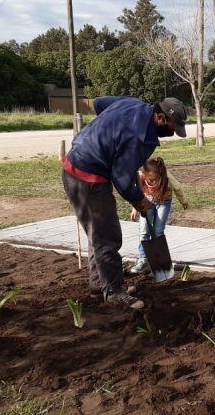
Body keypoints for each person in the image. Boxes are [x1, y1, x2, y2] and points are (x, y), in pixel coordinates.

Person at [62, 96, 187, 309]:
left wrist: (109, 135)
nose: (172, 133)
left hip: (78, 165)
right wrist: (141, 202)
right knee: (107, 236)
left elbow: (99, 103)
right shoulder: (139, 139)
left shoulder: (133, 103)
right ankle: (114, 293)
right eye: (172, 127)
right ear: (159, 117)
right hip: (87, 177)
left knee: (98, 234)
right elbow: (121, 178)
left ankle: (100, 283)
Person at [129, 156, 189, 276]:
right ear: (144, 174)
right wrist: (135, 208)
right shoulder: (140, 176)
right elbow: (137, 194)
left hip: (163, 203)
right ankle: (143, 259)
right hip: (146, 202)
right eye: (151, 180)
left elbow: (177, 188)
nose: (154, 182)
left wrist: (183, 201)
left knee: (158, 231)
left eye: (156, 180)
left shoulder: (166, 176)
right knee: (144, 230)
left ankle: (161, 262)